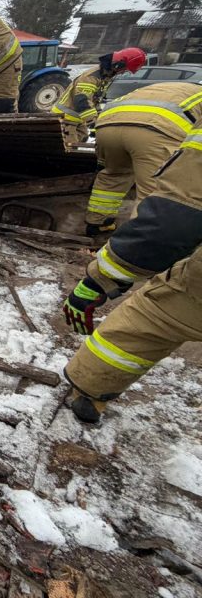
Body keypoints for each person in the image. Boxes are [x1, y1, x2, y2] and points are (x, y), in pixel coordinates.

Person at [61, 116, 202, 423]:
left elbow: (172, 220)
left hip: (112, 125)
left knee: (155, 317)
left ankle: (88, 392)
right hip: (148, 129)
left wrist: (102, 279)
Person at [83, 80, 202, 236]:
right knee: (155, 189)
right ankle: (136, 242)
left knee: (114, 175)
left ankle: (98, 223)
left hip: (107, 125)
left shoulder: (175, 88)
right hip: (155, 130)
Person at [52, 48, 146, 147]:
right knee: (69, 148)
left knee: (83, 138)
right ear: (118, 64)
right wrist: (93, 124)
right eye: (124, 69)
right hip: (65, 117)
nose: (122, 73)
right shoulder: (91, 77)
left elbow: (95, 100)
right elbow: (82, 101)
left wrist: (98, 120)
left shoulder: (104, 76)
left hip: (78, 117)